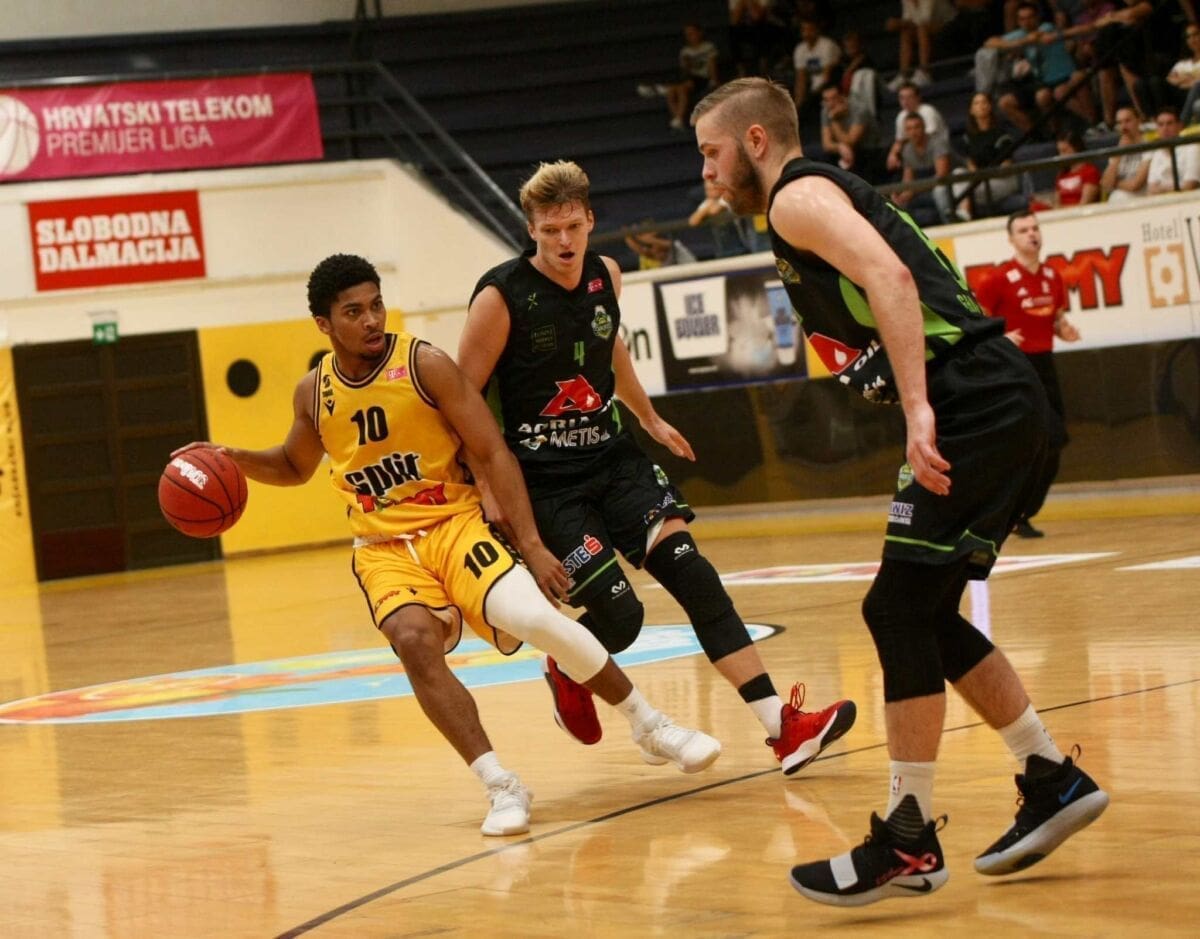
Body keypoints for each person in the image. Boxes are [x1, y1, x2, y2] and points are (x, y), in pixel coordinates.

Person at [692, 77, 1108, 906]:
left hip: (972, 400)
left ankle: (909, 838)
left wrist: (919, 408)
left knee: (896, 609)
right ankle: (1048, 774)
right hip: (991, 397)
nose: (704, 170)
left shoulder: (797, 198)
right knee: (921, 612)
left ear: (756, 142)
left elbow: (891, 276)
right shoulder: (806, 201)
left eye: (711, 152)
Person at [174, 253, 725, 837]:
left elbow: (491, 451)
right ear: (323, 324)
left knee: (537, 619)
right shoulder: (314, 393)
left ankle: (649, 725)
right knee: (414, 641)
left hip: (454, 524)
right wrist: (233, 458)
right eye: (353, 312)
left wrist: (531, 543)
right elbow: (293, 464)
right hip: (384, 547)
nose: (371, 319)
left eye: (376, 305)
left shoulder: (425, 364)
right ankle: (501, 784)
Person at [457, 160, 857, 778]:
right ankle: (567, 664)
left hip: (614, 459)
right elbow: (462, 401)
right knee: (622, 618)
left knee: (694, 575)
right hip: (545, 483)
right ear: (530, 230)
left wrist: (647, 416)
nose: (563, 241)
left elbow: (609, 346)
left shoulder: (607, 275)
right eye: (549, 230)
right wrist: (487, 487)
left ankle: (783, 729)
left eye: (573, 226)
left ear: (590, 221)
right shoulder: (500, 297)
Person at [976, 211, 1081, 538]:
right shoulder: (997, 279)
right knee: (1046, 437)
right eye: (1023, 230)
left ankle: (1019, 512)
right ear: (1011, 239)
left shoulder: (1053, 276)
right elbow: (976, 325)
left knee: (1054, 443)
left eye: (1035, 228)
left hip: (1045, 364)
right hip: (1015, 368)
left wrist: (1063, 329)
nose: (1032, 234)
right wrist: (1000, 338)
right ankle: (1005, 508)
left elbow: (1055, 317)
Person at [952, 91, 1022, 220]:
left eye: (984, 102)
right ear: (971, 110)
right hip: (980, 180)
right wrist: (976, 174)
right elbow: (971, 164)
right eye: (977, 103)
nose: (981, 106)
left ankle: (963, 210)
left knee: (965, 191)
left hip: (1003, 181)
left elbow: (1006, 167)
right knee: (957, 174)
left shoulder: (1002, 133)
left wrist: (983, 176)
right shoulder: (968, 137)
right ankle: (964, 212)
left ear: (990, 106)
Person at [638, 23, 720, 131]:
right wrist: (687, 64)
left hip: (703, 78)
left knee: (679, 88)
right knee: (673, 92)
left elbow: (712, 64)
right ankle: (678, 119)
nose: (689, 36)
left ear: (700, 33)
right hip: (689, 78)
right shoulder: (685, 51)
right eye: (687, 34)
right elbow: (685, 70)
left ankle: (661, 89)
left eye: (692, 33)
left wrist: (714, 79)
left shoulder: (708, 47)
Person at [893, 111, 955, 225]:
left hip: (946, 185)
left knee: (939, 192)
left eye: (916, 127)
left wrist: (913, 190)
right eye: (909, 129)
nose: (913, 132)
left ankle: (950, 224)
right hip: (922, 188)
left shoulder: (937, 143)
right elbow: (908, 181)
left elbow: (941, 176)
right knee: (897, 202)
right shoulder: (907, 150)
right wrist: (901, 195)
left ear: (924, 127)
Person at [819, 84, 885, 181]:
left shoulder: (860, 110)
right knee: (823, 159)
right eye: (826, 100)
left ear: (843, 96)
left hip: (869, 149)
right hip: (847, 151)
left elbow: (850, 141)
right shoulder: (826, 111)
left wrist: (834, 120)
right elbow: (826, 144)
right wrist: (840, 147)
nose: (831, 103)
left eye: (834, 98)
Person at [886, 82, 949, 172]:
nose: (905, 101)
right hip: (918, 156)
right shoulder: (901, 116)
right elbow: (899, 141)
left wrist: (902, 149)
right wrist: (892, 155)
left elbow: (923, 138)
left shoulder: (928, 111)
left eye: (909, 97)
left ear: (918, 97)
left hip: (938, 152)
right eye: (902, 98)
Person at [791, 17, 841, 116]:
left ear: (817, 30)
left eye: (810, 29)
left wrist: (811, 98)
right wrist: (798, 104)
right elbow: (800, 79)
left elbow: (827, 77)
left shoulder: (827, 45)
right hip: (813, 89)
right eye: (804, 30)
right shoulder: (800, 49)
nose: (807, 33)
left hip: (831, 85)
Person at [1100, 105, 1150, 201]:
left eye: (1127, 121)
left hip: (1139, 201)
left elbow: (1135, 185)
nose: (1123, 126)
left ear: (1138, 121)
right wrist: (1119, 153)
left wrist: (1114, 183)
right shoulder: (1117, 150)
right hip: (1114, 202)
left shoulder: (1149, 146)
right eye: (1119, 123)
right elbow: (1105, 185)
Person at [1146, 105, 1200, 193]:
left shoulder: (1192, 148)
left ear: (1180, 126)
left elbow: (1190, 185)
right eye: (1161, 125)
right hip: (1163, 200)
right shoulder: (1157, 153)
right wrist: (1176, 187)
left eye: (1169, 123)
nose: (1165, 128)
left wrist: (1161, 189)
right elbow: (1151, 189)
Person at [1052, 129, 1102, 206]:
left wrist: (1063, 210)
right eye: (1059, 152)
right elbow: (1056, 204)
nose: (1061, 156)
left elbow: (1084, 203)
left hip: (1082, 212)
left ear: (1076, 149)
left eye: (1064, 151)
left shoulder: (1090, 171)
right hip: (1062, 212)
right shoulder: (1062, 174)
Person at [1167, 21, 1200, 124]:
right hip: (1183, 96)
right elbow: (1170, 79)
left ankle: (1182, 122)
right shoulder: (1183, 63)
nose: (1192, 39)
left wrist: (1187, 80)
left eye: (1195, 35)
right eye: (1188, 37)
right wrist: (1190, 79)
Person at [623, 226, 699, 268]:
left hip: (695, 274)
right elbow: (639, 250)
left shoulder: (676, 247)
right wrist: (628, 235)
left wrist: (637, 235)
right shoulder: (660, 257)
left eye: (655, 249)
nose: (654, 252)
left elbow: (647, 240)